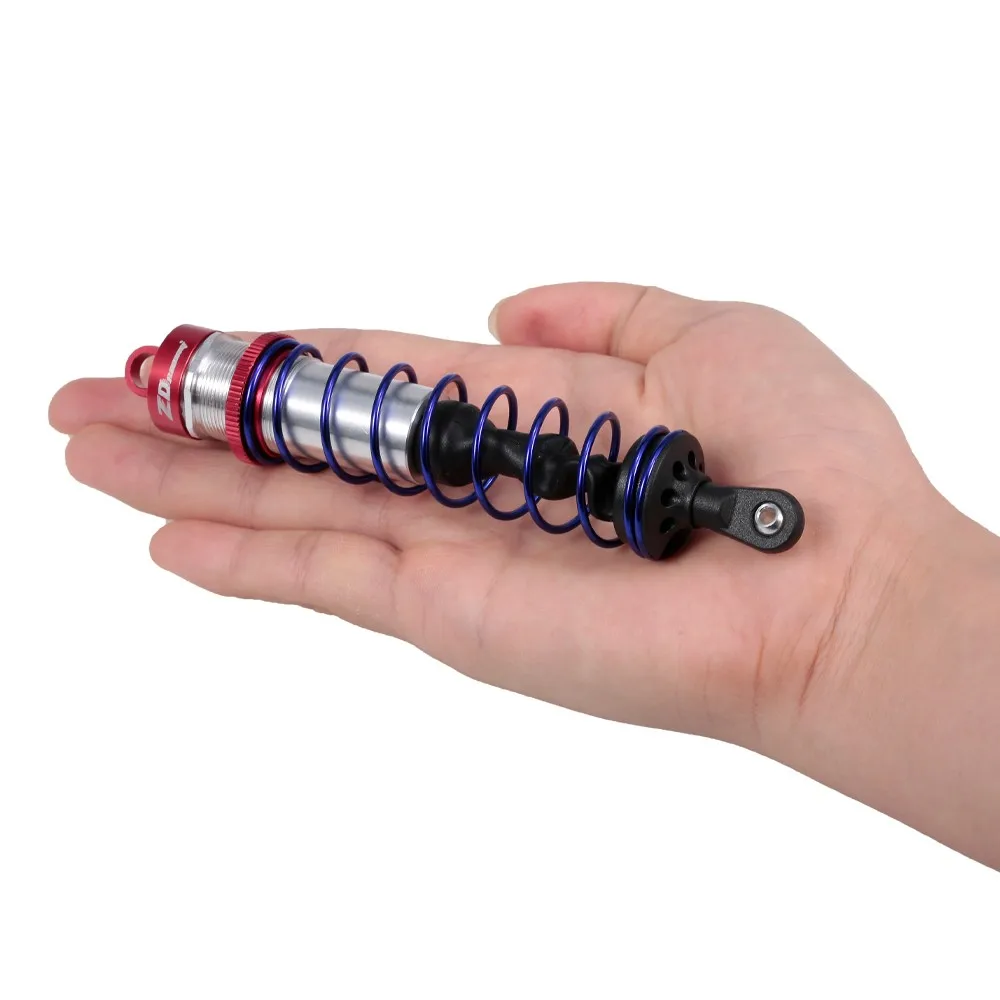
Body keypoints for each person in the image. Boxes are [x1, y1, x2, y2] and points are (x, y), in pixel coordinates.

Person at [49, 282, 1000, 869]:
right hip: (398, 439)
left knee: (488, 451)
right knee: (478, 448)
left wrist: (851, 633)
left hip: (553, 473)